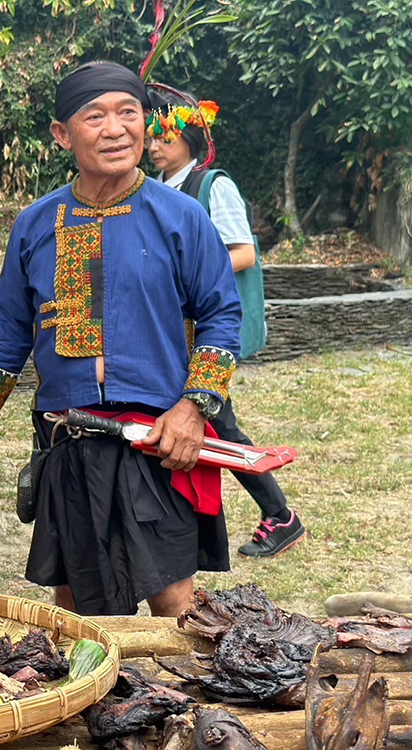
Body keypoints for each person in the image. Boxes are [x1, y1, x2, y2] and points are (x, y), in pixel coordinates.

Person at [0, 61, 242, 618]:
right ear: (63, 134)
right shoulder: (38, 224)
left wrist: (193, 408)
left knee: (176, 604)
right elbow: (7, 332)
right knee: (78, 607)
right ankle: (93, 704)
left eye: (128, 113)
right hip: (70, 440)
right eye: (96, 116)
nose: (116, 129)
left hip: (156, 440)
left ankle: (183, 702)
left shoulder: (181, 217)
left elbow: (221, 316)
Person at [146, 91, 306, 558]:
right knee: (212, 420)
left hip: (206, 332)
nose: (156, 146)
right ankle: (274, 514)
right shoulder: (157, 187)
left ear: (192, 139)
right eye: (154, 137)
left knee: (216, 419)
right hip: (173, 334)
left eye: (168, 137)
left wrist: (181, 276)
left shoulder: (212, 185)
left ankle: (280, 514)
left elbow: (243, 251)